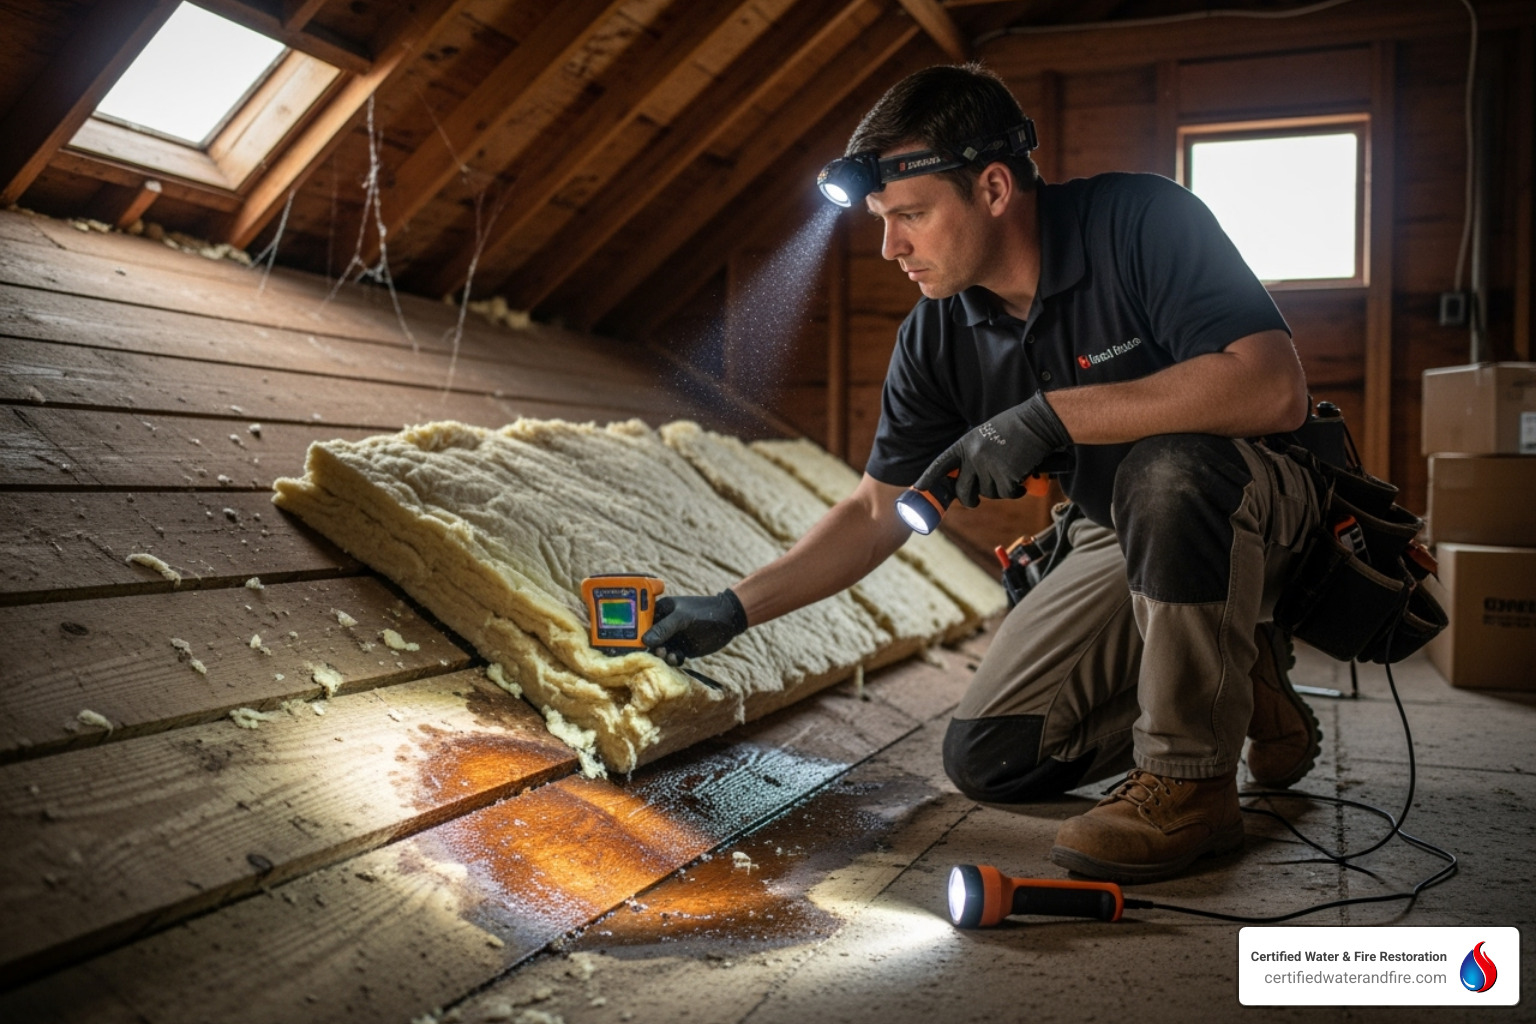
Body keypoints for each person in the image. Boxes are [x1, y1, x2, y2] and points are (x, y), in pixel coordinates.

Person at [642, 63, 1325, 884]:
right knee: (994, 757)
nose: (892, 246)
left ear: (994, 188)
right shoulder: (937, 337)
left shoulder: (1142, 220)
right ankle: (1236, 673)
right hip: (1122, 531)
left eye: (912, 216)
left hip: (1260, 503)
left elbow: (1274, 386)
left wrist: (1050, 416)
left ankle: (1190, 784)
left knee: (1170, 470)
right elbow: (874, 512)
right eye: (883, 222)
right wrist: (735, 606)